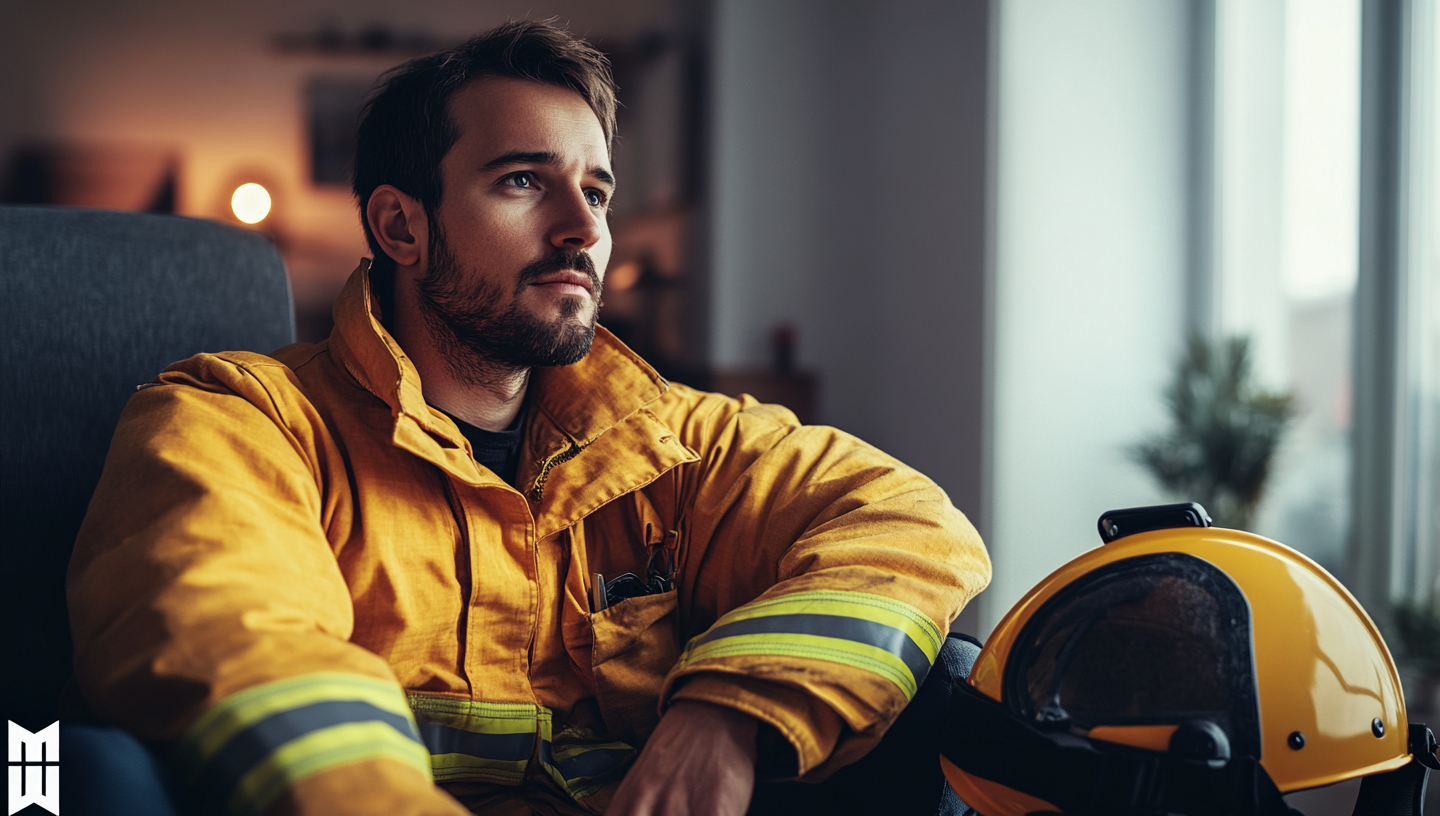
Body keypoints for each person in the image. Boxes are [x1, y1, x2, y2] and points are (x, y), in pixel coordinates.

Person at [65, 20, 989, 816]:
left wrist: (730, 713)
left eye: (595, 190)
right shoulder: (242, 420)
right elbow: (235, 647)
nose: (583, 228)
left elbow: (913, 527)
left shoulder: (675, 443)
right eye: (522, 181)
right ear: (401, 228)